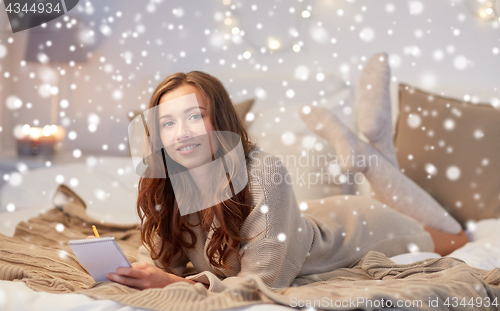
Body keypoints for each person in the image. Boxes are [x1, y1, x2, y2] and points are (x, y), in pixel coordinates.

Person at [89, 61, 468, 292]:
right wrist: (138, 271)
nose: (182, 133)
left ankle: (372, 150)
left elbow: (265, 281)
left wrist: (177, 283)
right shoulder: (168, 185)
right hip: (308, 217)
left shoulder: (263, 170)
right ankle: (374, 150)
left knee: (455, 235)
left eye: (194, 116)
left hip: (358, 229)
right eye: (168, 123)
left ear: (220, 120)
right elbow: (163, 262)